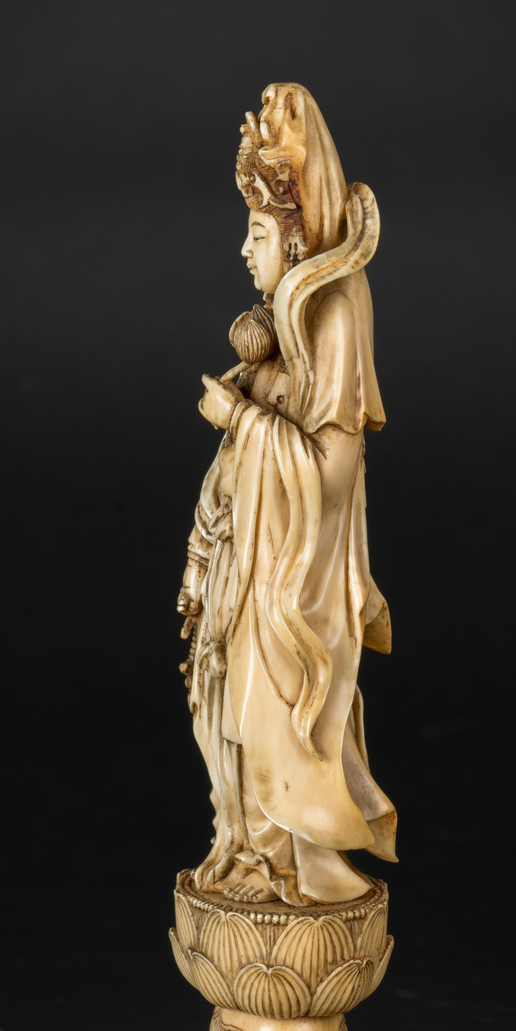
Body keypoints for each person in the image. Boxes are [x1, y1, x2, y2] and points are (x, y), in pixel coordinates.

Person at [177, 83, 397, 905]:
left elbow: (329, 474)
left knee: (274, 707)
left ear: (298, 236)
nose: (245, 250)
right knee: (224, 714)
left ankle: (286, 865)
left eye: (260, 233)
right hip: (248, 568)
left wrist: (239, 418)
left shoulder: (332, 315)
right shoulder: (283, 327)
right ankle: (245, 850)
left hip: (291, 586)